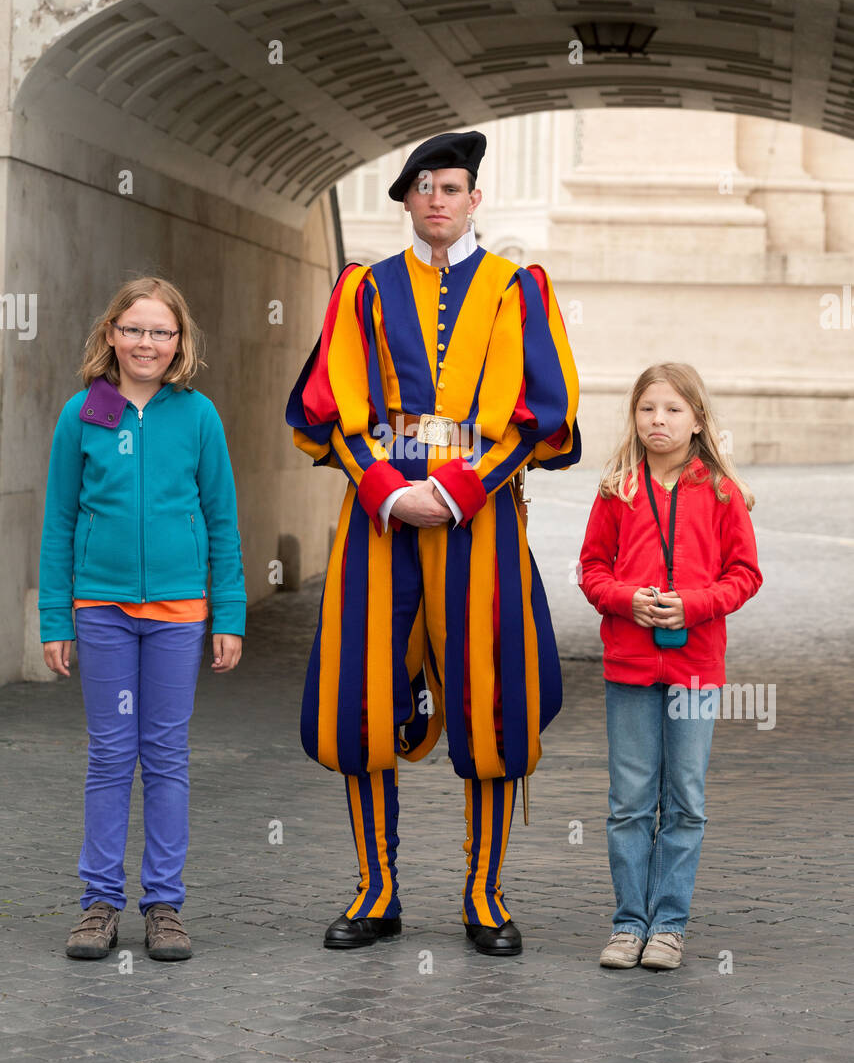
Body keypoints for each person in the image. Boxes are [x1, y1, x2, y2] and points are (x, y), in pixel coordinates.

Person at [287, 129, 581, 956]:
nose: (438, 201)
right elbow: (325, 409)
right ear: (408, 200)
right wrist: (384, 487)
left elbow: (544, 414)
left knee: (490, 701)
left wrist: (457, 488)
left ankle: (483, 895)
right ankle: (375, 890)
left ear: (474, 197)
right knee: (363, 699)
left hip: (481, 517)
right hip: (378, 520)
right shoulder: (365, 289)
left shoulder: (517, 288)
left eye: (452, 187)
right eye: (424, 189)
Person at [39, 277, 246, 961]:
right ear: (111, 335)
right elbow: (60, 519)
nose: (146, 344)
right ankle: (99, 904)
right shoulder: (83, 413)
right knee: (108, 755)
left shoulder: (198, 416)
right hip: (100, 610)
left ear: (179, 342)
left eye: (161, 332)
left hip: (179, 614)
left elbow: (222, 518)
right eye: (134, 330)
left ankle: (164, 906)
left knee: (164, 756)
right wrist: (54, 617)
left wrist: (230, 613)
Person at [578, 363, 762, 970]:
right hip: (629, 668)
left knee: (684, 799)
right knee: (629, 800)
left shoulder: (722, 494)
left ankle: (669, 926)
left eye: (673, 409)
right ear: (633, 417)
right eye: (648, 408)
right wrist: (625, 599)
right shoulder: (615, 491)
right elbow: (592, 570)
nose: (659, 419)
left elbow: (745, 576)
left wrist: (696, 603)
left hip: (694, 670)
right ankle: (629, 923)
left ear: (698, 420)